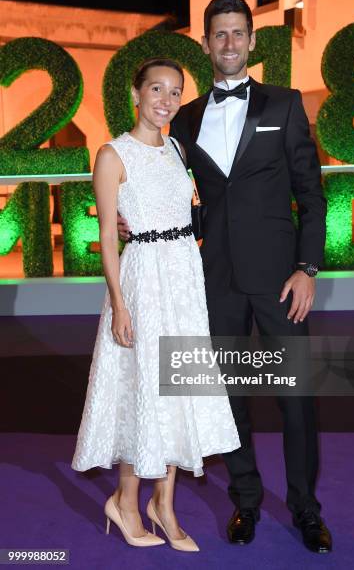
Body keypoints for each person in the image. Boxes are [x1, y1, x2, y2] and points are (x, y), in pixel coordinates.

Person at [119, 0, 332, 554]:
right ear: (207, 43)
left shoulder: (284, 105)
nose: (230, 44)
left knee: (295, 399)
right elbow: (188, 199)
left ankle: (307, 509)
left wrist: (308, 268)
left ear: (252, 41)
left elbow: (311, 195)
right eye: (220, 35)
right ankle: (246, 502)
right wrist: (132, 219)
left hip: (281, 281)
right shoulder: (184, 119)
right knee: (228, 398)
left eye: (239, 33)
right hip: (212, 283)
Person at [72, 57, 240, 553]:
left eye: (174, 92)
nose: (165, 100)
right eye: (156, 90)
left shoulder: (174, 146)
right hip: (143, 279)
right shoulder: (112, 154)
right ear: (135, 93)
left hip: (184, 277)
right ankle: (127, 503)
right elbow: (107, 235)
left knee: (178, 388)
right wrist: (120, 305)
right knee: (144, 386)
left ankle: (162, 505)